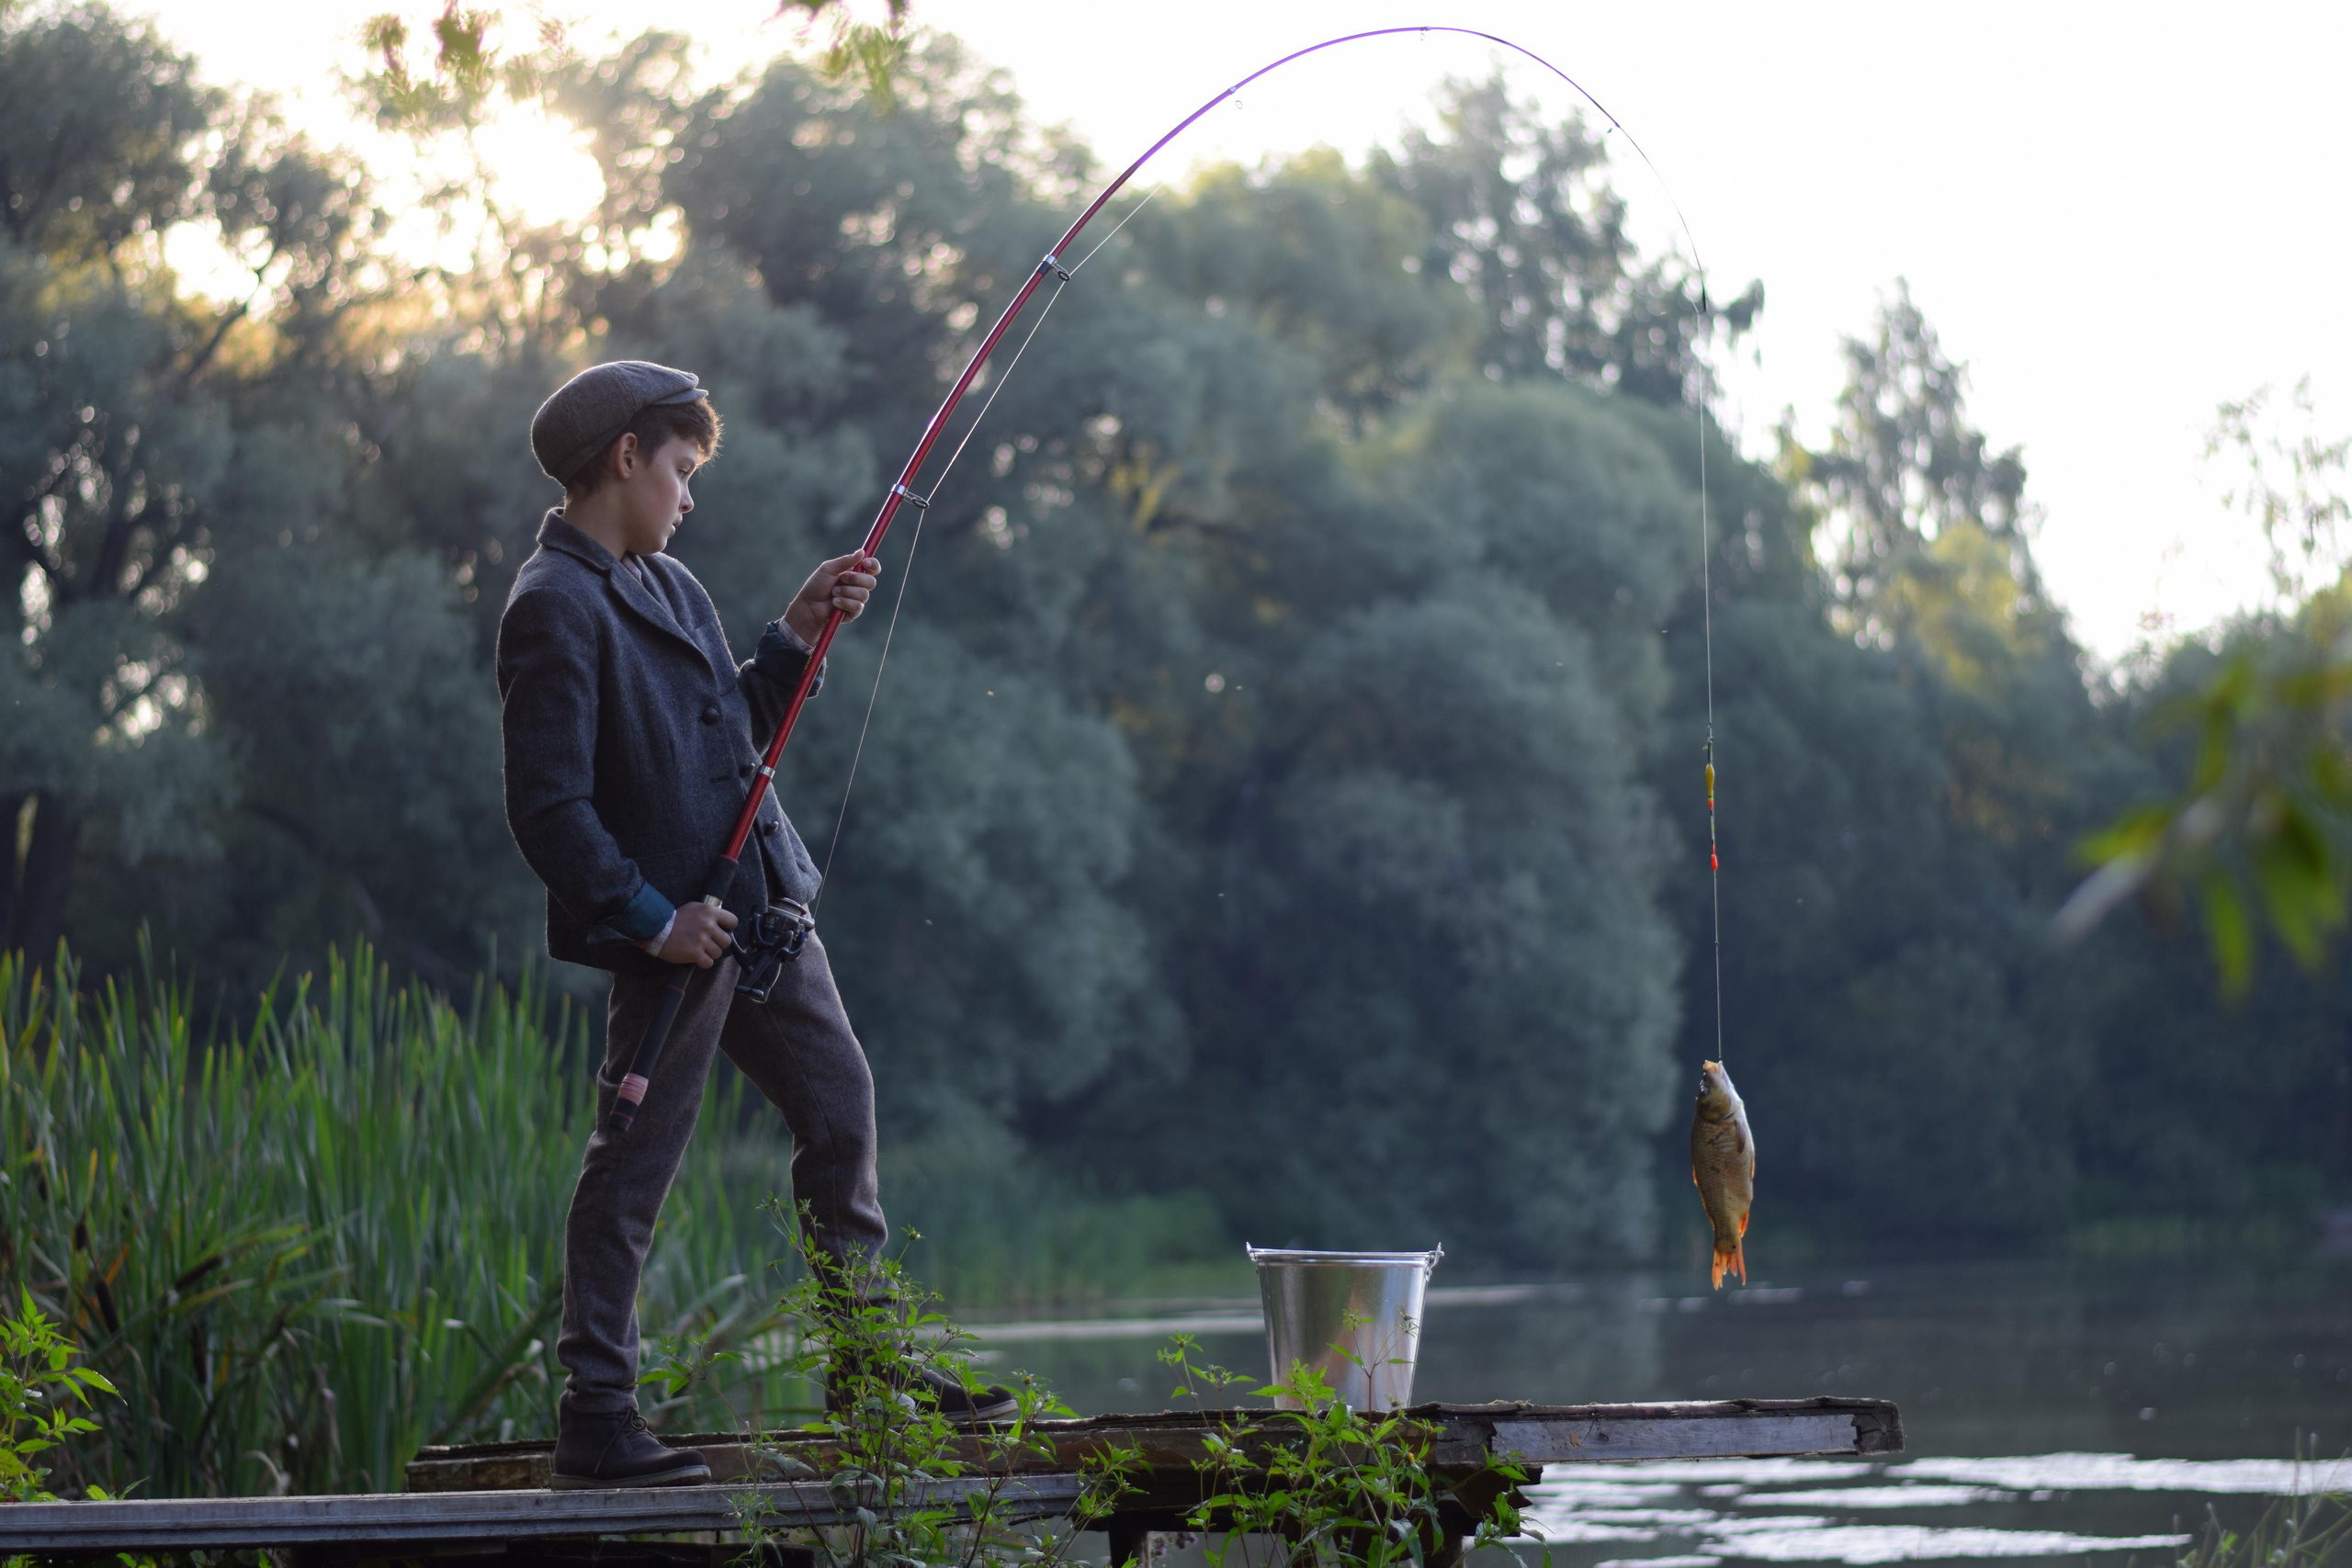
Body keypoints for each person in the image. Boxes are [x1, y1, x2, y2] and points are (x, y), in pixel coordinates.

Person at [496, 361, 1014, 1492]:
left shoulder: (670, 587)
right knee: (631, 1168)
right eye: (680, 470)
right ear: (625, 457)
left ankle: (867, 1365)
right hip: (675, 943)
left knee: (841, 1108)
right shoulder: (553, 604)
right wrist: (649, 919)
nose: (689, 497)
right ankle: (597, 1413)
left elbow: (732, 731)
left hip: (764, 910)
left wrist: (794, 631)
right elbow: (548, 811)